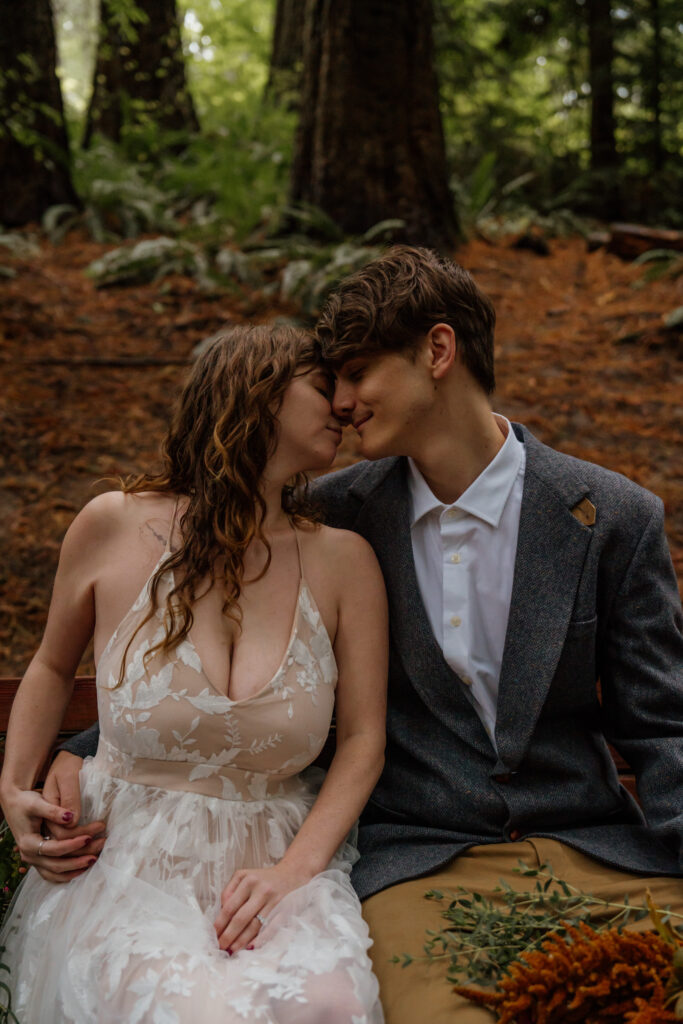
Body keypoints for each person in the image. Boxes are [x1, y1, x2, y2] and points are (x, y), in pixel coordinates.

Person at [30, 247, 683, 1022]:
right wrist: (85, 751)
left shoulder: (610, 517)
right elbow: (216, 651)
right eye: (329, 380)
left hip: (599, 850)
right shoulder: (328, 519)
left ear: (437, 351)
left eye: (357, 373)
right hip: (419, 857)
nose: (338, 402)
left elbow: (663, 724)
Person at [0, 325, 388, 1023]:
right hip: (126, 863)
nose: (342, 406)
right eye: (323, 385)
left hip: (277, 864)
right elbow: (53, 664)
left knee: (326, 1005)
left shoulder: (343, 561)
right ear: (258, 392)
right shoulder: (112, 526)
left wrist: (290, 875)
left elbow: (362, 741)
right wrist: (12, 787)